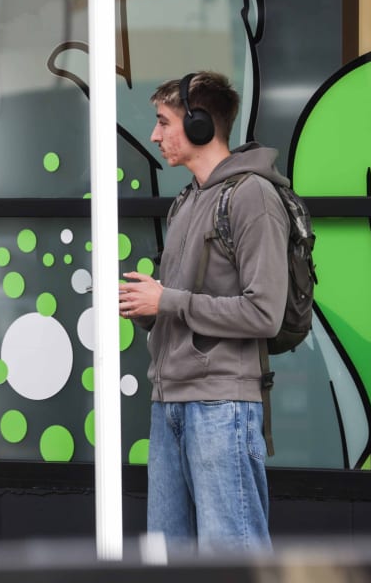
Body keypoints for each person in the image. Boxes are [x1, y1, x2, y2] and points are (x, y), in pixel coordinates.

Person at [118, 71, 289, 552]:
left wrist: (167, 300)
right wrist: (146, 305)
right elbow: (180, 301)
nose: (155, 135)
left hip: (222, 404)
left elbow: (265, 313)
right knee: (169, 553)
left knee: (232, 557)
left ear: (200, 125)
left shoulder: (252, 196)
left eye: (163, 122)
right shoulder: (187, 200)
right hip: (169, 400)